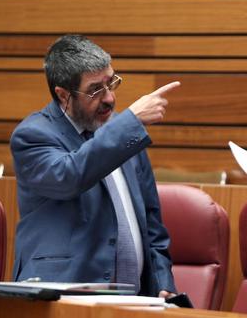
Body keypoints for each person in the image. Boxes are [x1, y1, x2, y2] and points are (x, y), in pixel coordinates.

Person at [10, 34, 178, 297]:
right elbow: (70, 175)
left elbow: (151, 222)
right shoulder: (33, 136)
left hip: (135, 302)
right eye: (95, 90)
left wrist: (162, 282)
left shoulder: (122, 131)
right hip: (60, 298)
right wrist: (131, 123)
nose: (110, 98)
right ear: (63, 95)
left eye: (111, 83)